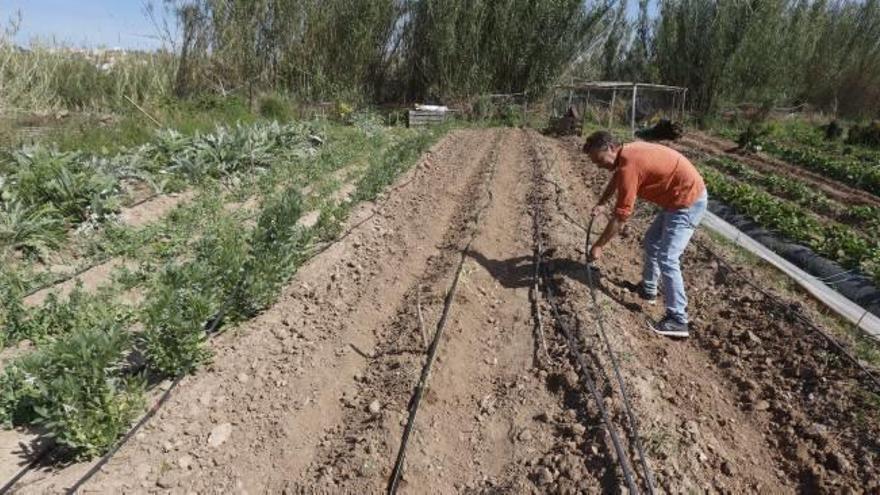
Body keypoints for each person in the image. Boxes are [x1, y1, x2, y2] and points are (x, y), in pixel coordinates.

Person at [582, 130, 707, 338]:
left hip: (688, 200)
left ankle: (678, 320)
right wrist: (602, 203)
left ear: (610, 148)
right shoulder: (626, 155)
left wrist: (599, 245)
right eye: (595, 162)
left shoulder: (629, 165)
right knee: (651, 241)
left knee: (668, 257)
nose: (598, 165)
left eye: (599, 160)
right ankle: (649, 289)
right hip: (675, 199)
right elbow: (616, 179)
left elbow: (621, 216)